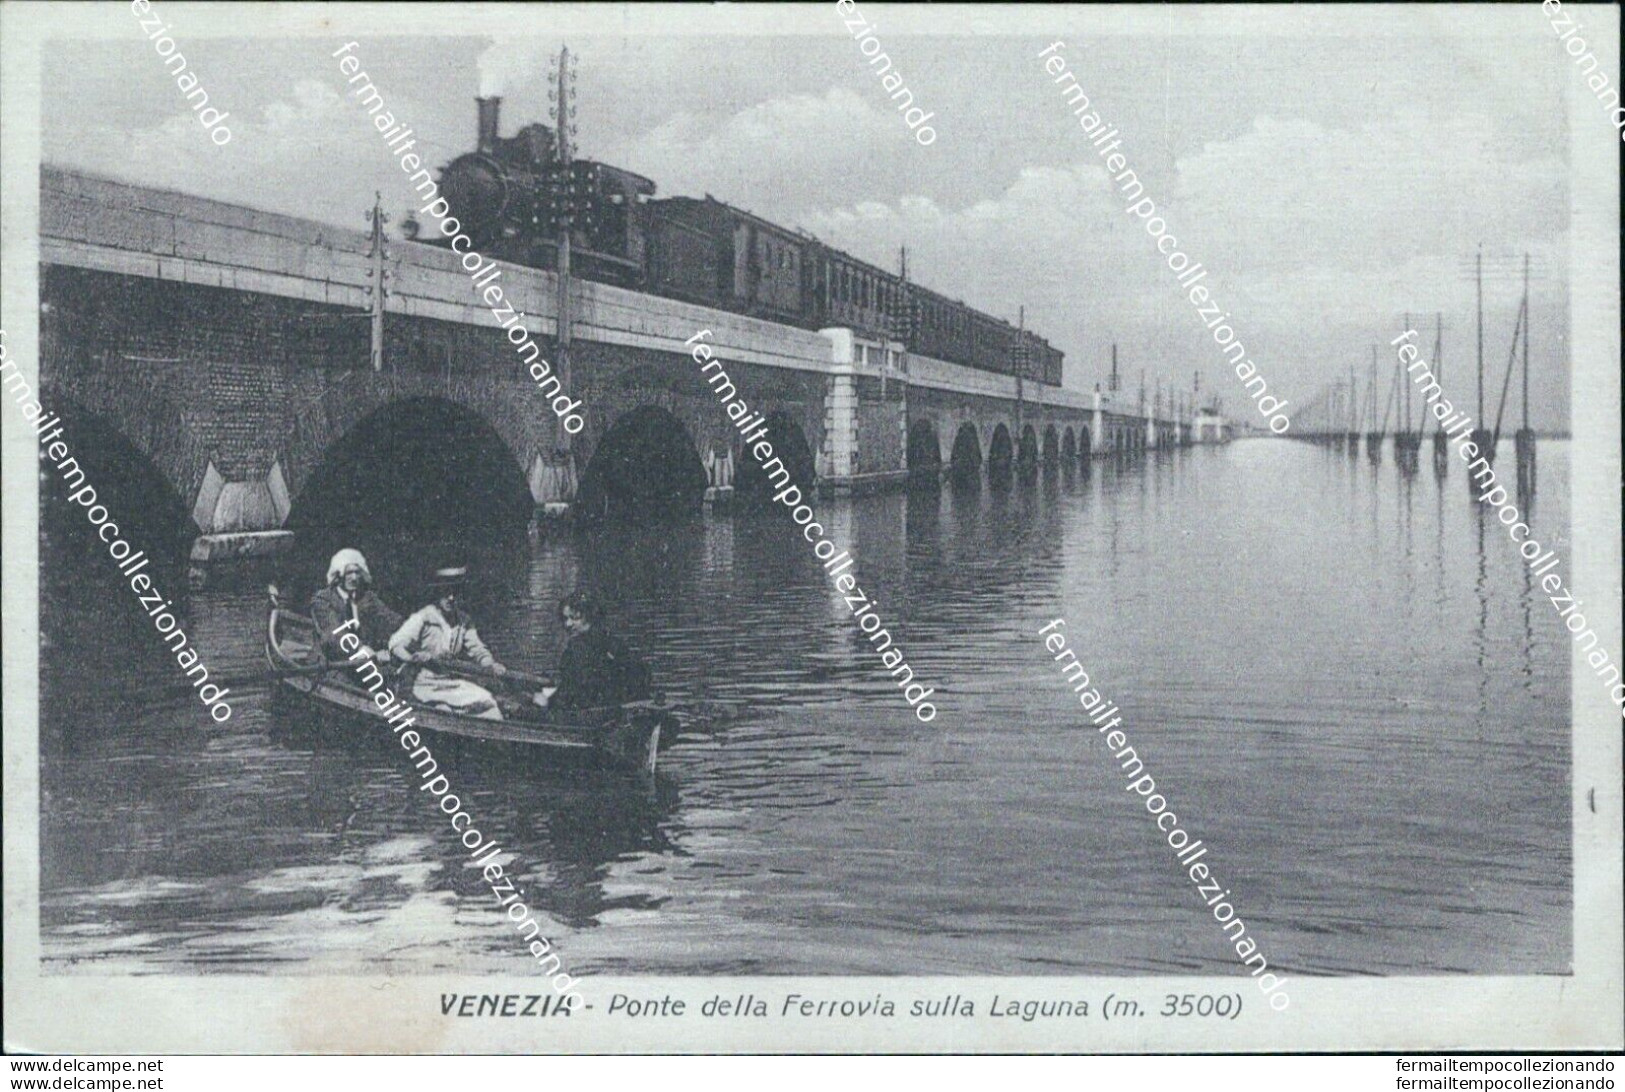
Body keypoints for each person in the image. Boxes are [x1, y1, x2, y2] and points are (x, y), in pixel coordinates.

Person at [388, 567, 509, 720]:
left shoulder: (464, 621)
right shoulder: (424, 617)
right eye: (446, 593)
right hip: (418, 682)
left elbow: (478, 650)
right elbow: (396, 645)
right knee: (443, 712)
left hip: (447, 681)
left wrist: (491, 665)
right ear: (438, 594)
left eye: (456, 593)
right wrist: (412, 658)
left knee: (488, 703)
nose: (451, 598)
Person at [537, 591, 650, 713]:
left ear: (590, 616)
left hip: (591, 713)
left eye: (575, 618)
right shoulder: (613, 641)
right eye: (565, 618)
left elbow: (574, 689)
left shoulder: (577, 648)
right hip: (617, 706)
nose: (567, 624)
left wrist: (547, 700)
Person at [309, 548, 402, 662]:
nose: (354, 578)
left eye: (357, 572)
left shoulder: (367, 597)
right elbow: (335, 633)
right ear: (338, 575)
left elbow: (389, 618)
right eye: (349, 573)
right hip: (331, 664)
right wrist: (359, 648)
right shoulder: (322, 599)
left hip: (362, 661)